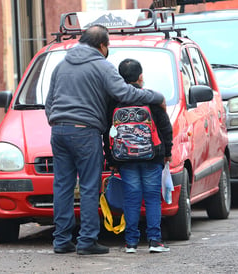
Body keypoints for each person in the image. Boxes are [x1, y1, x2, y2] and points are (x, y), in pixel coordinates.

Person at [45, 25, 166, 255]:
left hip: (58, 132)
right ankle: (87, 241)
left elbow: (49, 102)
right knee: (90, 186)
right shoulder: (102, 66)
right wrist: (155, 96)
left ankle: (61, 241)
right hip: (85, 132)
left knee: (62, 185)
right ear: (102, 45)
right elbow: (126, 94)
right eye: (107, 45)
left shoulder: (61, 65)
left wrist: (56, 121)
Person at [103, 58, 173, 253]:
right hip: (152, 157)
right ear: (140, 77)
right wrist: (167, 152)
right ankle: (154, 241)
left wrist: (111, 159)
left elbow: (107, 132)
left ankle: (131, 243)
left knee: (131, 198)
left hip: (124, 158)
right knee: (152, 197)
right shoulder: (151, 99)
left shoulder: (114, 102)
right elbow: (165, 128)